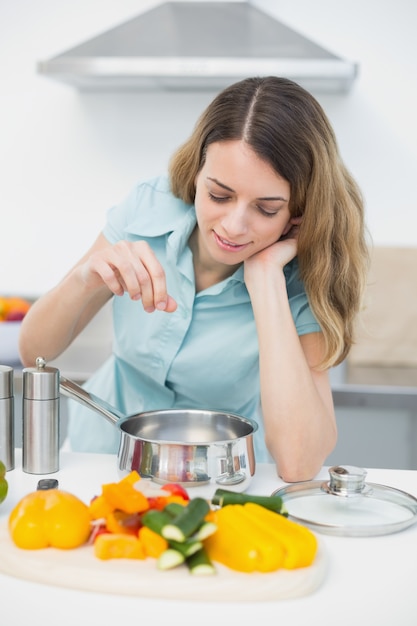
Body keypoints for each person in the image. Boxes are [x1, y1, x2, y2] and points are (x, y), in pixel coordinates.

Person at [19, 76, 369, 482]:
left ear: (299, 211)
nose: (234, 226)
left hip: (216, 479)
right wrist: (84, 279)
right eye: (219, 195)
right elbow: (35, 353)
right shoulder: (149, 206)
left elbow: (299, 463)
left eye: (266, 209)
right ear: (197, 171)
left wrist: (266, 279)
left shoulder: (302, 281)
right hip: (98, 459)